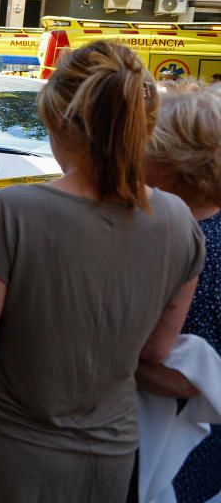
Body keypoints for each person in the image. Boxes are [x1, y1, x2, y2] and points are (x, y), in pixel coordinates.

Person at [0, 41, 205, 502]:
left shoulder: (10, 214)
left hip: (4, 456)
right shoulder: (179, 222)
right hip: (107, 459)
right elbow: (157, 350)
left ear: (60, 122)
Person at [142, 83, 221, 503]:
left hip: (164, 458)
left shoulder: (176, 241)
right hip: (205, 459)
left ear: (173, 165)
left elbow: (178, 380)